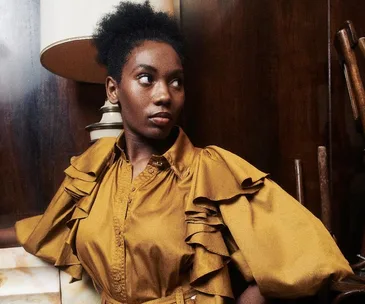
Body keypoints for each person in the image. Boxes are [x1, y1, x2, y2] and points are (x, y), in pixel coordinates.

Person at [15, 1, 352, 304]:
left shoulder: (211, 170)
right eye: (146, 78)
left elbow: (307, 255)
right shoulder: (94, 168)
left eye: (176, 81)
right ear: (114, 90)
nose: (164, 94)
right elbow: (46, 228)